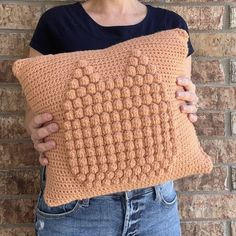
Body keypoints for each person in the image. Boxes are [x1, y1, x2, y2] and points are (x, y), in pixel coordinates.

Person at [25, 0, 199, 235]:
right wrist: (36, 129)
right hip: (77, 211)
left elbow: (183, 104)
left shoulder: (170, 26)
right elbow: (32, 114)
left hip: (156, 206)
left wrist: (189, 102)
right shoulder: (56, 24)